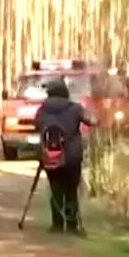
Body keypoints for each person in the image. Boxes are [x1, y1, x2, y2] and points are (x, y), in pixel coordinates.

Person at [34, 78, 96, 235]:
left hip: (50, 156)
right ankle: (72, 225)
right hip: (72, 156)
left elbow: (37, 125)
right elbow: (92, 121)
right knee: (71, 191)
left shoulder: (42, 109)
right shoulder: (75, 108)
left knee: (55, 189)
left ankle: (57, 224)